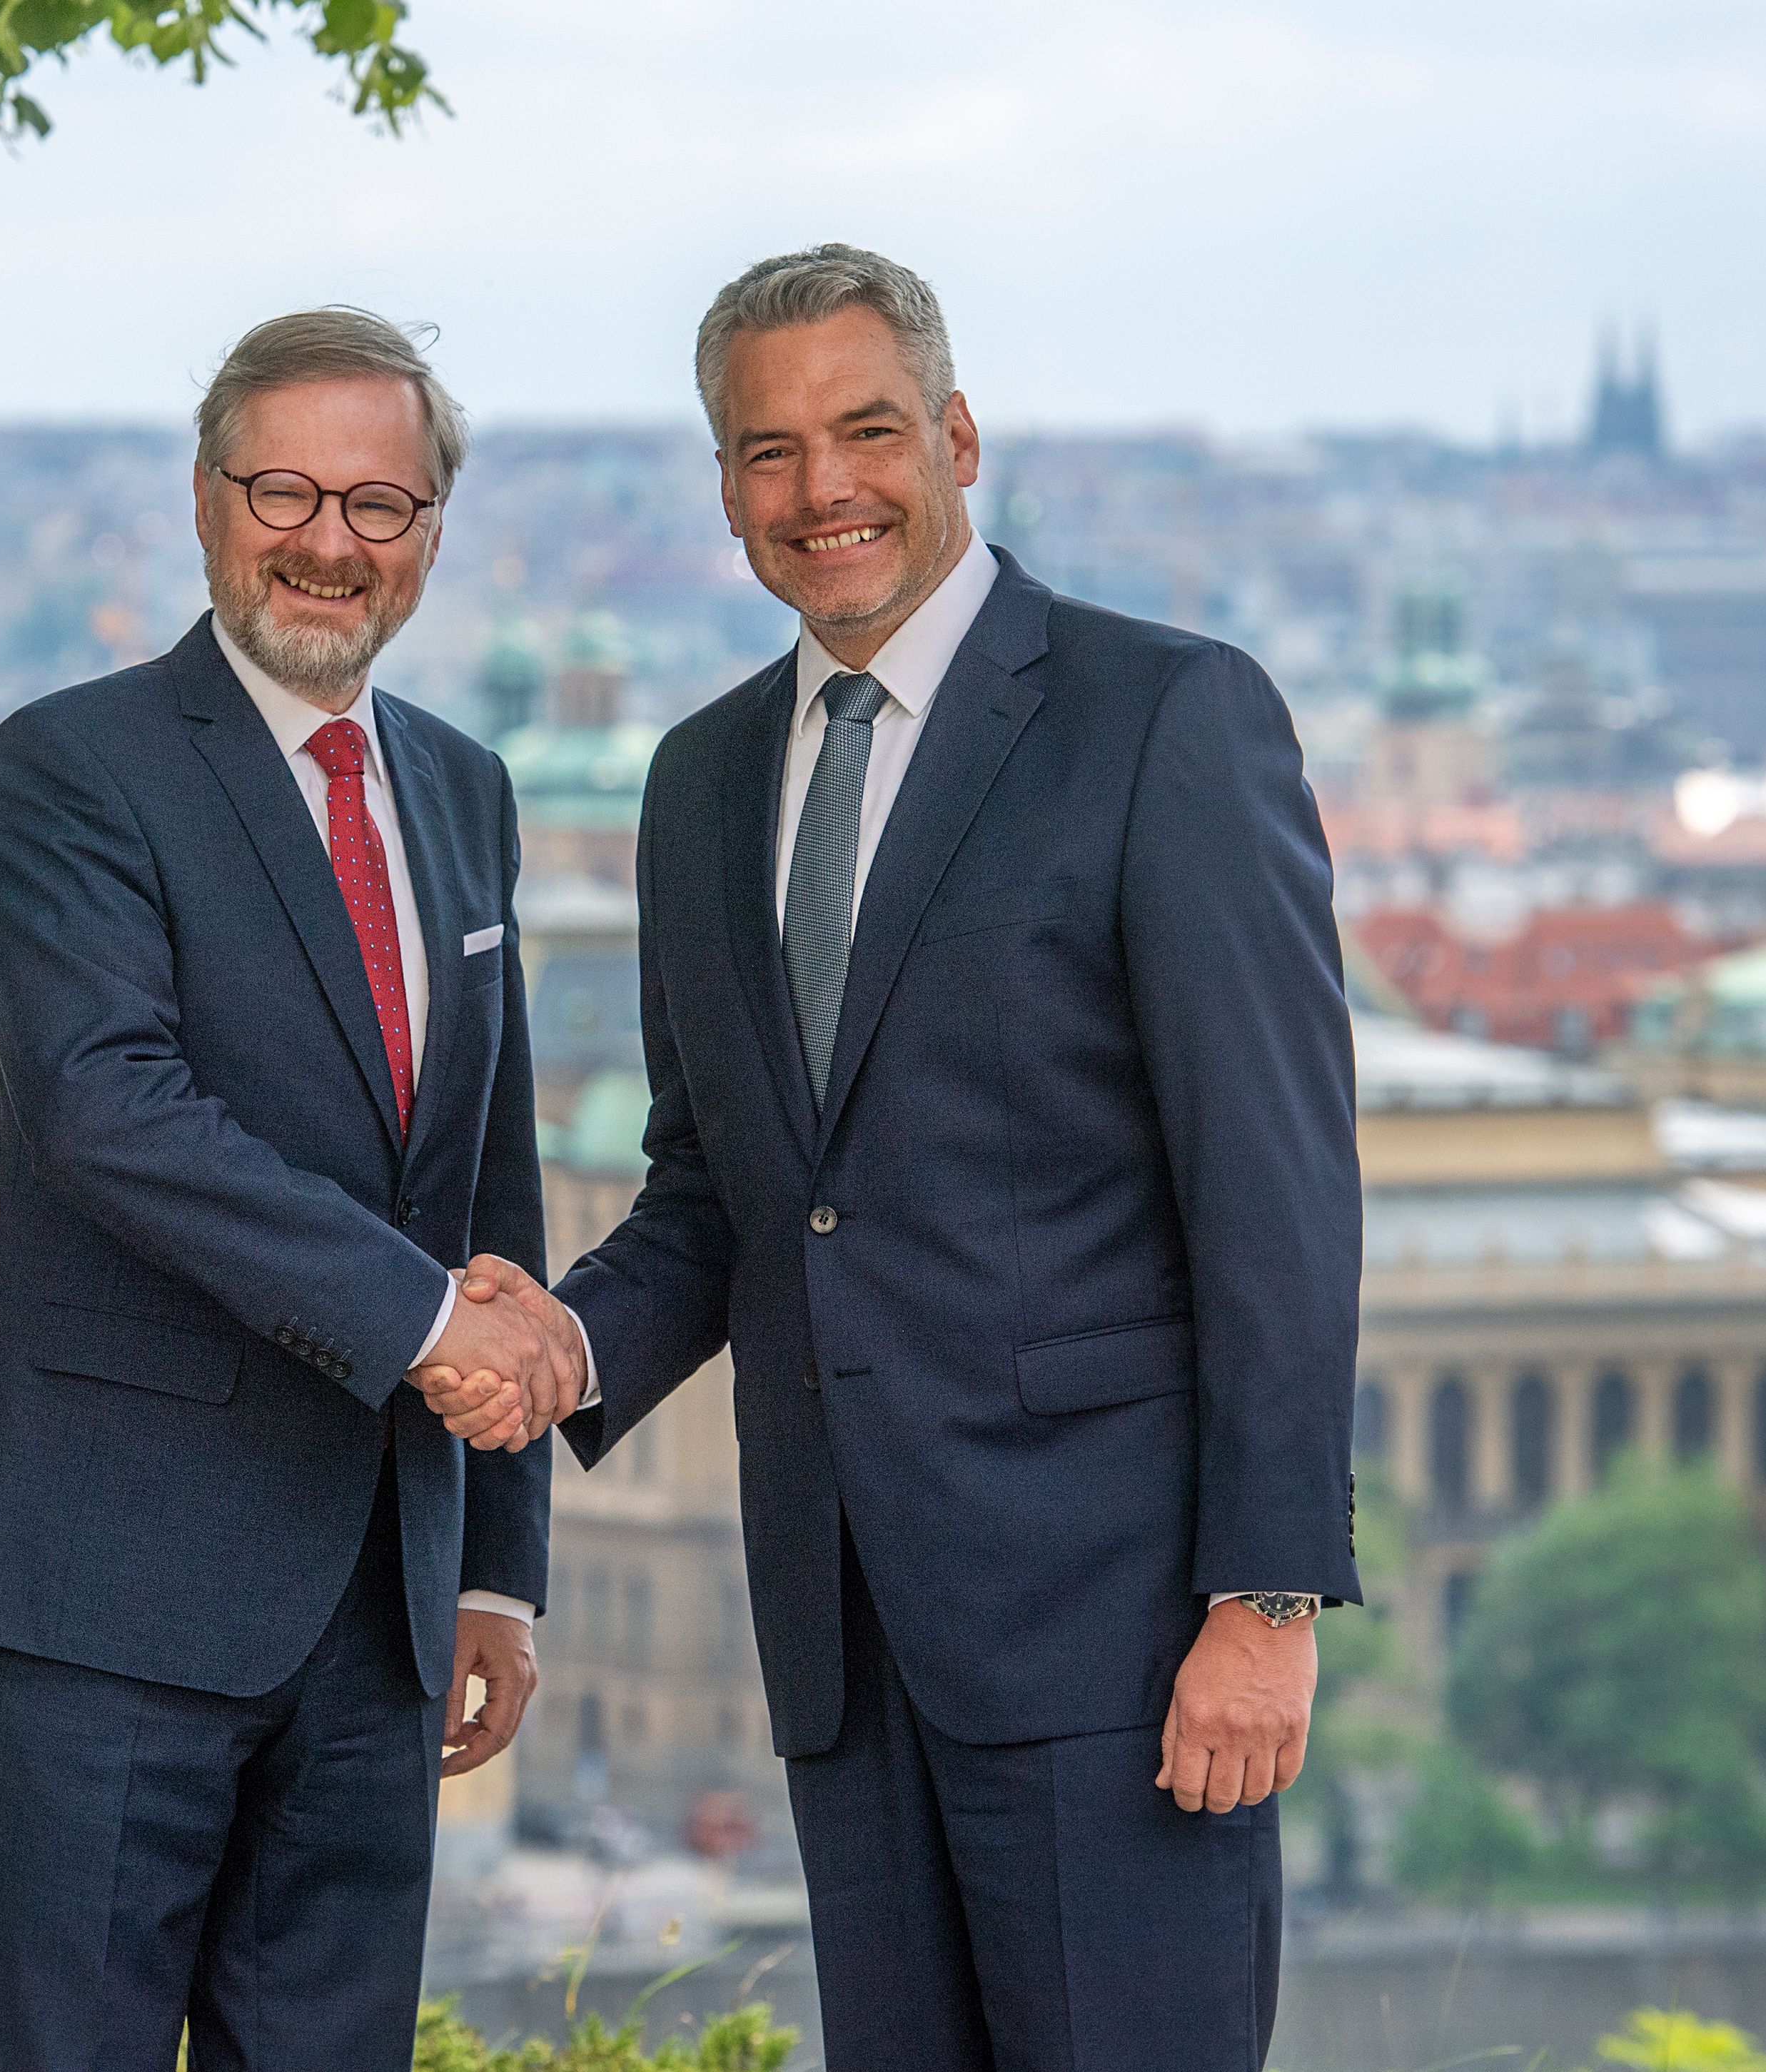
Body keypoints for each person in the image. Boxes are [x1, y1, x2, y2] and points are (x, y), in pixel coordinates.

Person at [426, 245, 1363, 2070]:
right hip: (841, 1639)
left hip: (1118, 1643)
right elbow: (723, 1193)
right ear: (721, 490)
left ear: (954, 435)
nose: (820, 489)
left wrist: (1264, 1605)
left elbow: (1275, 1194)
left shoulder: (1162, 717)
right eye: (765, 452)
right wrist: (557, 1346)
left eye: (864, 430)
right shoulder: (698, 780)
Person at [0, 307, 575, 2071]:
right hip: (119, 1583)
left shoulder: (462, 790)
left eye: (379, 503)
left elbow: (487, 1180)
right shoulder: (72, 767)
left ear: (430, 537)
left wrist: (497, 1569)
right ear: (206, 502)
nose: (326, 540)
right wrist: (426, 1325)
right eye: (282, 488)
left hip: (378, 1605)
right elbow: (106, 1109)